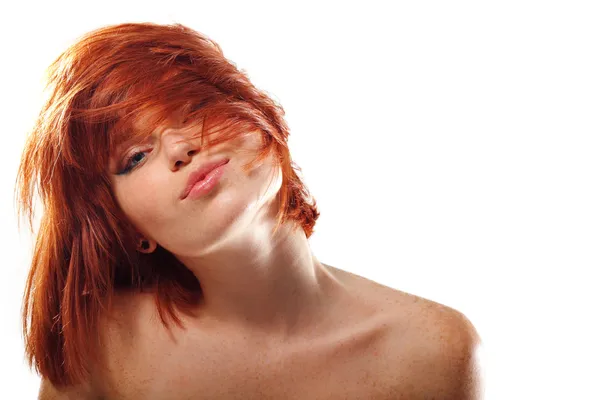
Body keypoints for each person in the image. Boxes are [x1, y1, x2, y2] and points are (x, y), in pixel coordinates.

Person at [17, 22, 484, 399]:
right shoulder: (103, 347)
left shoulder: (434, 351)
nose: (179, 146)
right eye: (135, 157)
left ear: (261, 117)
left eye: (192, 106)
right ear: (127, 228)